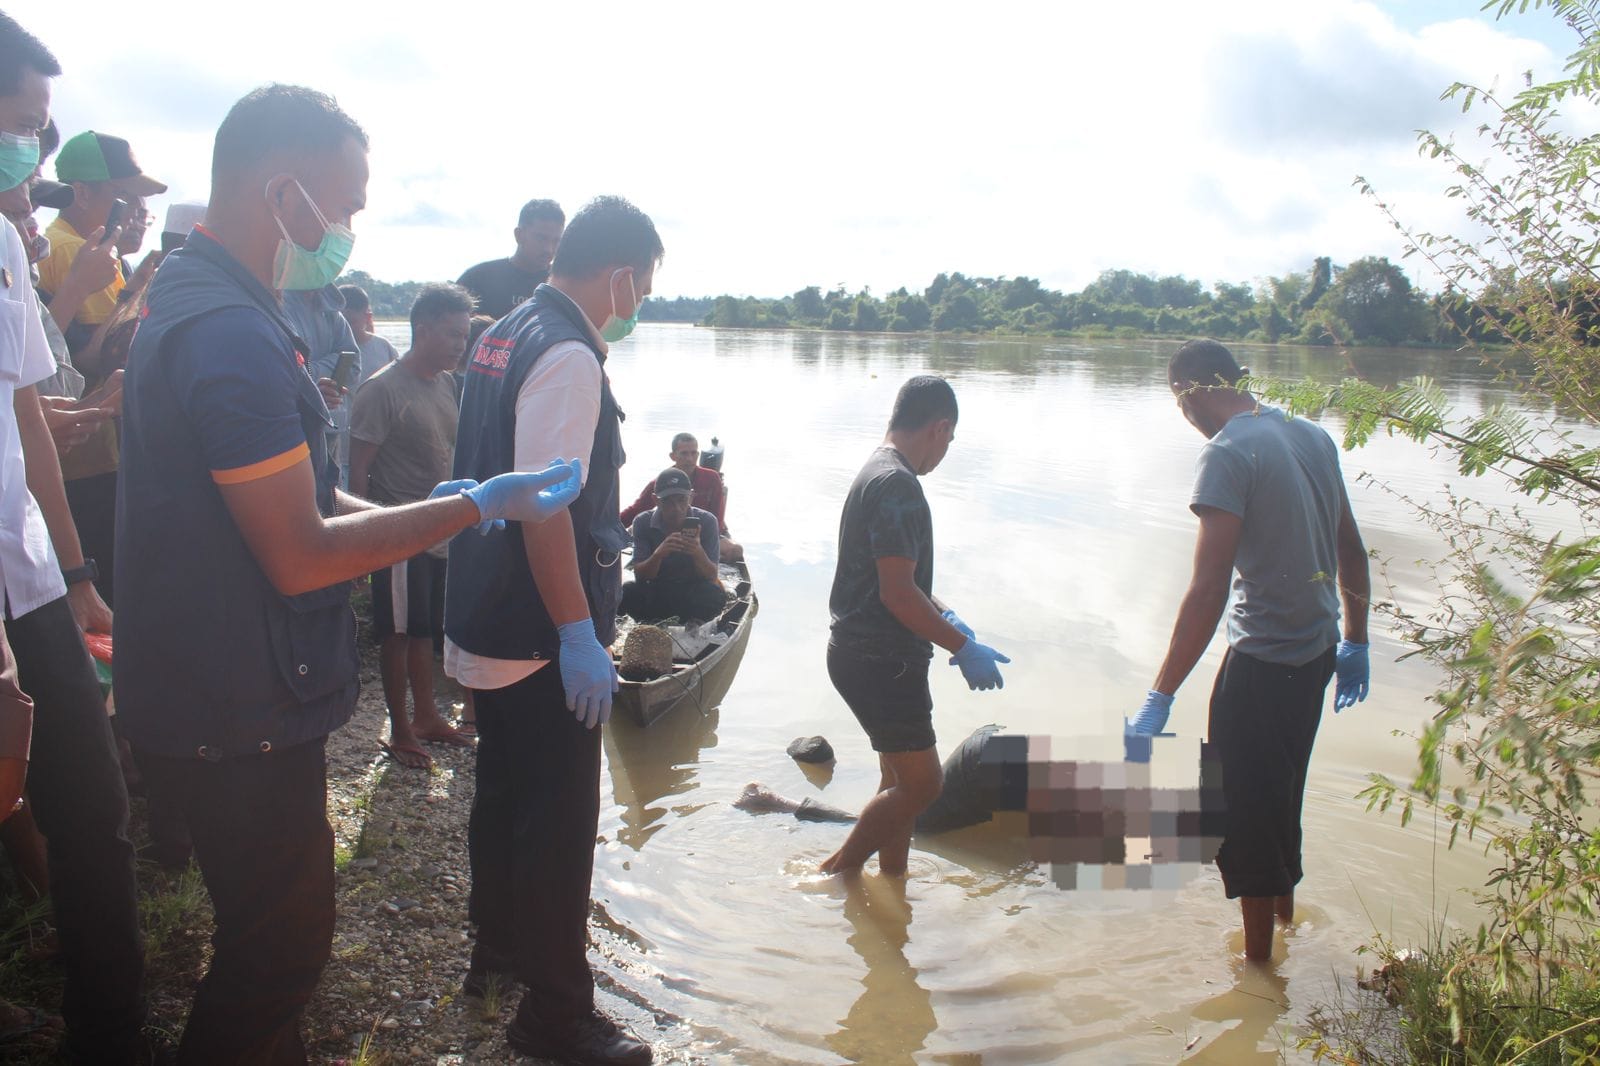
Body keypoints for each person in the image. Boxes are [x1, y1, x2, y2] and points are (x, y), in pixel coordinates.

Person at [114, 83, 581, 1063]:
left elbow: (316, 500)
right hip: (232, 705)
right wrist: (469, 505)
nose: (353, 225)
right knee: (279, 946)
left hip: (218, 687)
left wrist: (447, 518)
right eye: (349, 200)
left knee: (266, 938)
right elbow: (297, 551)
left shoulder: (214, 303)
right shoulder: (233, 337)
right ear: (284, 192)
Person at [446, 195, 660, 1065]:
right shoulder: (569, 356)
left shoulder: (507, 328)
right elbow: (546, 514)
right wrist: (578, 634)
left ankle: (493, 955)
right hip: (536, 628)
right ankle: (556, 1015)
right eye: (642, 285)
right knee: (560, 822)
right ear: (619, 274)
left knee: (501, 794)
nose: (638, 300)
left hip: (486, 612)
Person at [0, 15, 153, 1061]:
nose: (36, 158)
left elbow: (24, 419)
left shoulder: (7, 245)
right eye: (21, 128)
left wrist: (78, 571)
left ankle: (113, 1030)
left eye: (41, 137)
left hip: (31, 574)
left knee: (91, 808)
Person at [1128, 338, 1371, 964]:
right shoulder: (1311, 436)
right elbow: (1351, 552)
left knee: (1246, 820)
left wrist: (1160, 695)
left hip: (1262, 666)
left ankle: (1258, 973)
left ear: (1188, 393)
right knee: (1281, 798)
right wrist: (1355, 641)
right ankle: (1287, 928)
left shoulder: (1228, 453)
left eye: (1178, 402)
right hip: (1315, 659)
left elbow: (1207, 590)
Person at [820, 375, 1011, 877]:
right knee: (924, 787)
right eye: (949, 440)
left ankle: (893, 882)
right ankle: (836, 874)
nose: (944, 452)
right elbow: (898, 594)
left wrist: (944, 613)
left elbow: (897, 578)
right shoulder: (899, 485)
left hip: (861, 654)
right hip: (882, 660)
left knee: (896, 781)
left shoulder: (877, 471)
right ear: (940, 427)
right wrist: (961, 644)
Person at [349, 283, 475, 769]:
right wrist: (360, 545)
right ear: (422, 330)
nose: (460, 345)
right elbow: (357, 469)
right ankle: (399, 729)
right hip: (396, 532)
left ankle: (426, 717)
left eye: (465, 337)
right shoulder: (382, 388)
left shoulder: (446, 384)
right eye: (452, 335)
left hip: (440, 530)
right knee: (397, 634)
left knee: (425, 630)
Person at [36, 129, 166, 351]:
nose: (134, 209)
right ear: (83, 193)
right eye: (123, 195)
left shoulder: (60, 238)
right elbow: (107, 349)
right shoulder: (76, 249)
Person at [620, 467, 726, 623]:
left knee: (714, 594)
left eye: (681, 500)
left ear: (690, 497)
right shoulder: (642, 521)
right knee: (627, 591)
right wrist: (658, 555)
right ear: (656, 500)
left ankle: (694, 626)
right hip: (658, 590)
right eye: (668, 501)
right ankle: (647, 626)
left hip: (692, 590)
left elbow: (711, 575)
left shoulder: (707, 521)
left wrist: (697, 552)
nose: (675, 508)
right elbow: (641, 576)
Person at [620, 431, 744, 562]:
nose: (689, 459)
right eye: (684, 453)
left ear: (698, 455)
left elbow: (717, 517)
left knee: (735, 550)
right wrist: (609, 525)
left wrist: (702, 541)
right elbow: (636, 510)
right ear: (673, 456)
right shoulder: (661, 483)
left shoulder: (712, 478)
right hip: (670, 532)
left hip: (704, 531)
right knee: (637, 530)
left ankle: (709, 560)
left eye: (693, 453)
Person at [456, 197, 564, 319]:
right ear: (519, 235)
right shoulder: (477, 279)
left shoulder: (562, 287)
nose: (548, 249)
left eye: (556, 241)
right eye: (541, 238)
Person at [337, 282, 398, 385]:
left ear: (367, 317)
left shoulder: (384, 347)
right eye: (340, 323)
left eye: (351, 323)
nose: (345, 329)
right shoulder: (326, 349)